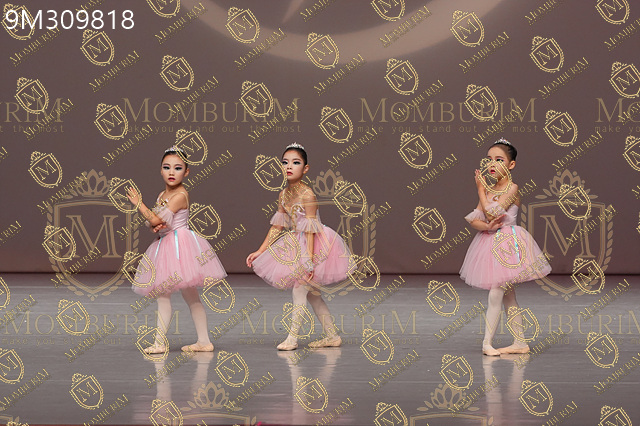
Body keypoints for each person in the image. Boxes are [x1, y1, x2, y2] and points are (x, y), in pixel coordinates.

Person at [246, 143, 353, 351]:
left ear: (305, 168)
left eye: (295, 163)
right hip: (296, 242)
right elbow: (277, 226)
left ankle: (292, 338)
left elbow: (311, 230)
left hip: (315, 246)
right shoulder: (283, 194)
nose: (289, 166)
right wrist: (260, 251)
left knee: (299, 290)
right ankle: (332, 336)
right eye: (285, 162)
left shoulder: (307, 194)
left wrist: (309, 261)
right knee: (313, 295)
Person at [126, 147, 227, 354]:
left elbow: (156, 219)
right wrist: (156, 226)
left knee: (172, 295)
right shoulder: (162, 194)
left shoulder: (181, 195)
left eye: (178, 168)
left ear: (186, 172)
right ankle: (202, 341)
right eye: (167, 167)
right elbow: (157, 223)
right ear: (160, 170)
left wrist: (139, 204)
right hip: (166, 244)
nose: (172, 172)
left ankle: (161, 343)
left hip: (180, 247)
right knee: (182, 296)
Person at [459, 138, 551, 356]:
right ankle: (520, 342)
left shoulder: (513, 188)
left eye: (499, 160)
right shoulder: (489, 190)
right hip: (489, 243)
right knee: (508, 296)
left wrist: (480, 190)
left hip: (507, 246)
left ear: (511, 165)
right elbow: (476, 219)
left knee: (496, 293)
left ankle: (487, 343)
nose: (493, 164)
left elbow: (493, 212)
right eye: (489, 159)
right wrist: (486, 226)